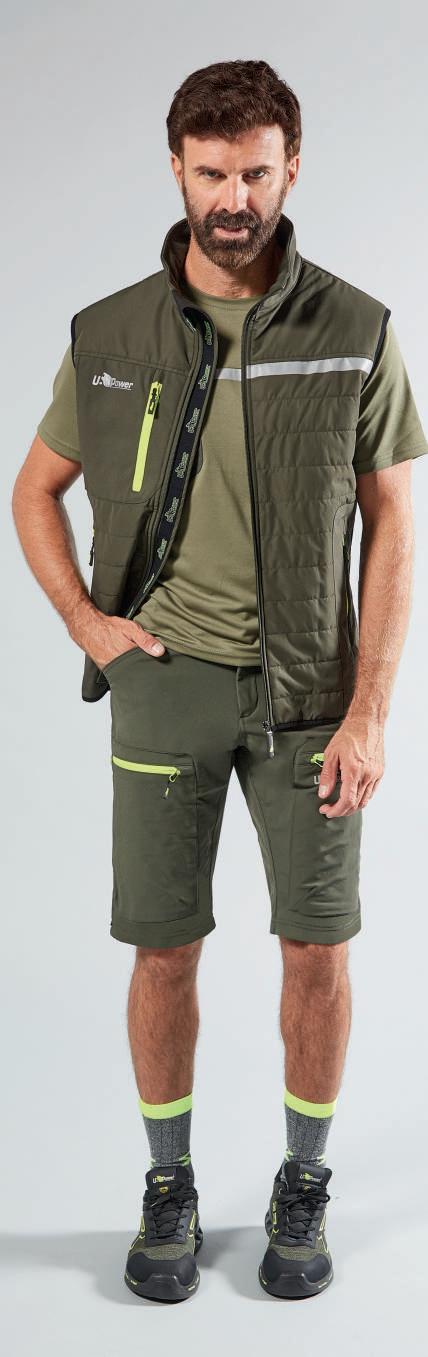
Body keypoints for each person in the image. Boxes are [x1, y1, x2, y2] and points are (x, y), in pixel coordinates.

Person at [12, 58, 428, 1304]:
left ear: (290, 167)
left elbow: (392, 526)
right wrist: (88, 625)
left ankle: (302, 1181)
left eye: (253, 172)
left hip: (311, 702)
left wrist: (368, 709)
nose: (232, 199)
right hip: (165, 683)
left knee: (316, 950)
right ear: (176, 170)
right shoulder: (112, 333)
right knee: (163, 950)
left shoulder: (355, 329)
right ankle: (169, 1184)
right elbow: (34, 491)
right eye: (210, 173)